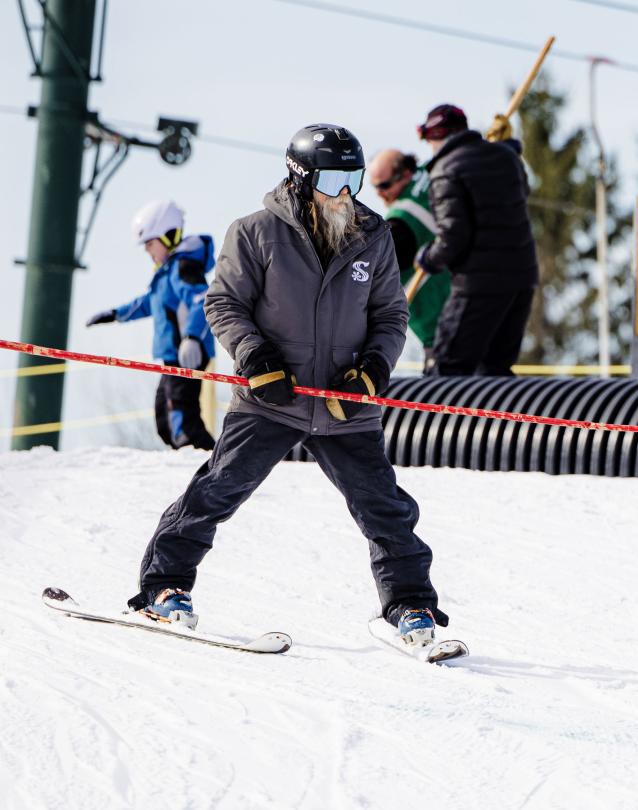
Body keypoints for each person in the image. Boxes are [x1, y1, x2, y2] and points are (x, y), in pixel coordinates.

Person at [127, 124, 449, 649]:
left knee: (384, 508)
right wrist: (256, 358)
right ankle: (165, 587)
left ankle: (409, 605)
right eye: (332, 179)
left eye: (354, 178)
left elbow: (391, 314)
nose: (344, 193)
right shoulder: (255, 232)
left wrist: (371, 370)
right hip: (273, 397)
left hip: (345, 404)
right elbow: (223, 303)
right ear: (300, 179)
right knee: (216, 491)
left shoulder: (375, 236)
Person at [414, 103, 538, 377]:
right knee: (495, 370)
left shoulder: (445, 171)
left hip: (478, 285)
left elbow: (452, 237)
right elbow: (522, 190)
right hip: (521, 279)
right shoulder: (506, 159)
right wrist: (510, 151)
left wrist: (427, 258)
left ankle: (440, 421)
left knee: (448, 370)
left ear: (434, 137)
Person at [86, 200, 217, 450]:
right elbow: (148, 303)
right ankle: (198, 458)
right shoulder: (167, 273)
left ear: (168, 236)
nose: (148, 252)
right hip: (172, 356)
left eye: (149, 244)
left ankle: (210, 462)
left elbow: (202, 302)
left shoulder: (184, 267)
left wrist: (191, 338)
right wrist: (115, 314)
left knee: (182, 420)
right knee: (165, 420)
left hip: (187, 353)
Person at [368, 148, 452, 370]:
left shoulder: (401, 223)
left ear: (405, 174)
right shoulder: (433, 173)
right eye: (375, 187)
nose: (379, 194)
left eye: (384, 186)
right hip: (476, 310)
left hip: (442, 329)